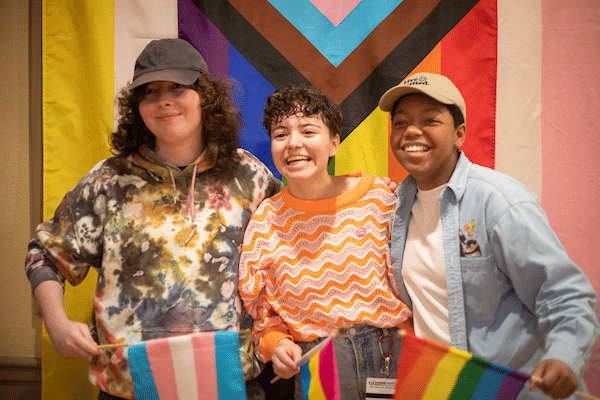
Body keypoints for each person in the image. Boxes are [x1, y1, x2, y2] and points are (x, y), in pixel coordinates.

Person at [24, 38, 283, 399]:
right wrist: (56, 323)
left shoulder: (249, 176)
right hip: (131, 385)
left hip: (227, 382)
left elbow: (288, 257)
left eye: (178, 87)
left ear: (204, 97)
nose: (164, 100)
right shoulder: (109, 181)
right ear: (138, 108)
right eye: (150, 92)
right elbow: (45, 253)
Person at [378, 72, 600, 399]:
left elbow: (564, 293)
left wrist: (565, 355)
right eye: (400, 122)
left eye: (430, 120)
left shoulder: (500, 201)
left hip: (518, 391)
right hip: (447, 389)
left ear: (458, 134)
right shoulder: (397, 205)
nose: (411, 131)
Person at [238, 85, 413, 400]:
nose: (294, 143)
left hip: (395, 353)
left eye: (308, 131)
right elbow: (264, 317)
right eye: (281, 134)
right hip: (318, 366)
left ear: (334, 142)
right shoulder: (265, 223)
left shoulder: (381, 199)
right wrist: (277, 346)